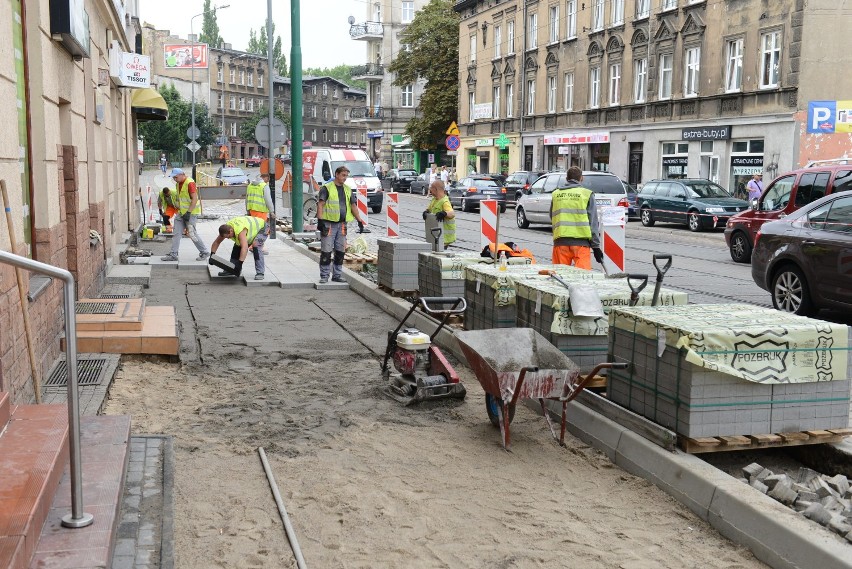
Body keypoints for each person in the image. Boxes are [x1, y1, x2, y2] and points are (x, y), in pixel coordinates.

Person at [317, 166, 368, 284]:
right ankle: (324, 276)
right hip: (328, 224)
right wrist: (320, 222)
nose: (345, 178)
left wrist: (360, 221)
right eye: (343, 175)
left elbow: (353, 206)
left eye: (346, 176)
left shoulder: (347, 189)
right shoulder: (326, 188)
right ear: (337, 174)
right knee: (326, 251)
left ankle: (337, 275)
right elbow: (320, 205)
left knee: (340, 251)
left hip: (342, 225)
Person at [550, 166, 601, 270]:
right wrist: (596, 247)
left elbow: (552, 215)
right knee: (583, 278)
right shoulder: (586, 194)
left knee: (560, 277)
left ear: (566, 179)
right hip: (581, 244)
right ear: (581, 178)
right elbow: (593, 222)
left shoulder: (556, 194)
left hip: (560, 242)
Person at [160, 168, 210, 262]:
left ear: (182, 174)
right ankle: (173, 254)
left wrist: (189, 212)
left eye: (176, 177)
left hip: (191, 213)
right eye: (173, 177)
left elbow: (194, 199)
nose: (175, 179)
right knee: (176, 233)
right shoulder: (178, 184)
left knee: (192, 233)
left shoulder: (190, 183)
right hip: (182, 213)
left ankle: (204, 252)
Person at [245, 173, 274, 257]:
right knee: (261, 230)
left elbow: (246, 198)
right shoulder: (264, 186)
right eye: (268, 180)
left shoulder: (250, 185)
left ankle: (252, 246)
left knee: (253, 228)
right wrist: (271, 211)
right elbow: (268, 199)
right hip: (260, 211)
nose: (268, 182)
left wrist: (247, 210)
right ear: (266, 178)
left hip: (251, 210)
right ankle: (256, 246)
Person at [422, 180, 456, 248]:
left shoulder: (445, 201)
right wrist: (426, 212)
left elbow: (452, 213)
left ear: (436, 189)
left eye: (431, 188)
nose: (430, 190)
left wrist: (444, 213)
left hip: (444, 238)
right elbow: (429, 209)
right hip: (437, 235)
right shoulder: (434, 200)